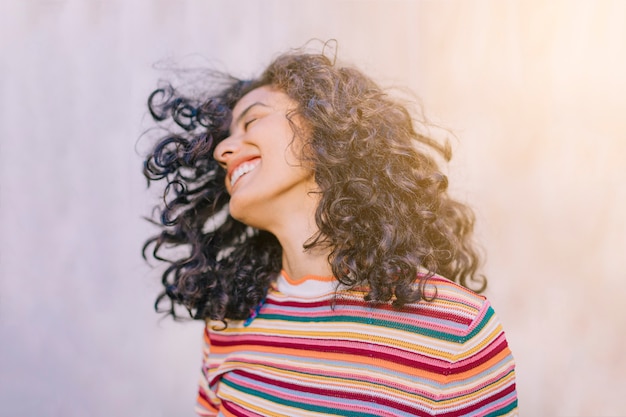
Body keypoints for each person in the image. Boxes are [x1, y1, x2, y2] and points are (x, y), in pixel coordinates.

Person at [143, 48, 518, 416]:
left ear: (323, 126)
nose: (223, 149)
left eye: (252, 121)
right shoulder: (229, 323)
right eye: (226, 138)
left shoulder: (456, 330)